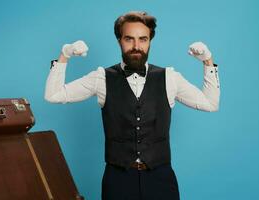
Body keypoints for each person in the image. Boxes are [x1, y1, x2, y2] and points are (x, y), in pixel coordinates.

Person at [44, 11, 220, 200]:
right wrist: (64, 55)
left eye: (143, 39)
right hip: (117, 180)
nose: (136, 46)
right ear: (119, 40)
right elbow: (53, 95)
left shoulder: (170, 77)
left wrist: (208, 61)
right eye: (129, 39)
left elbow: (210, 104)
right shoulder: (101, 77)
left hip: (160, 179)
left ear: (150, 41)